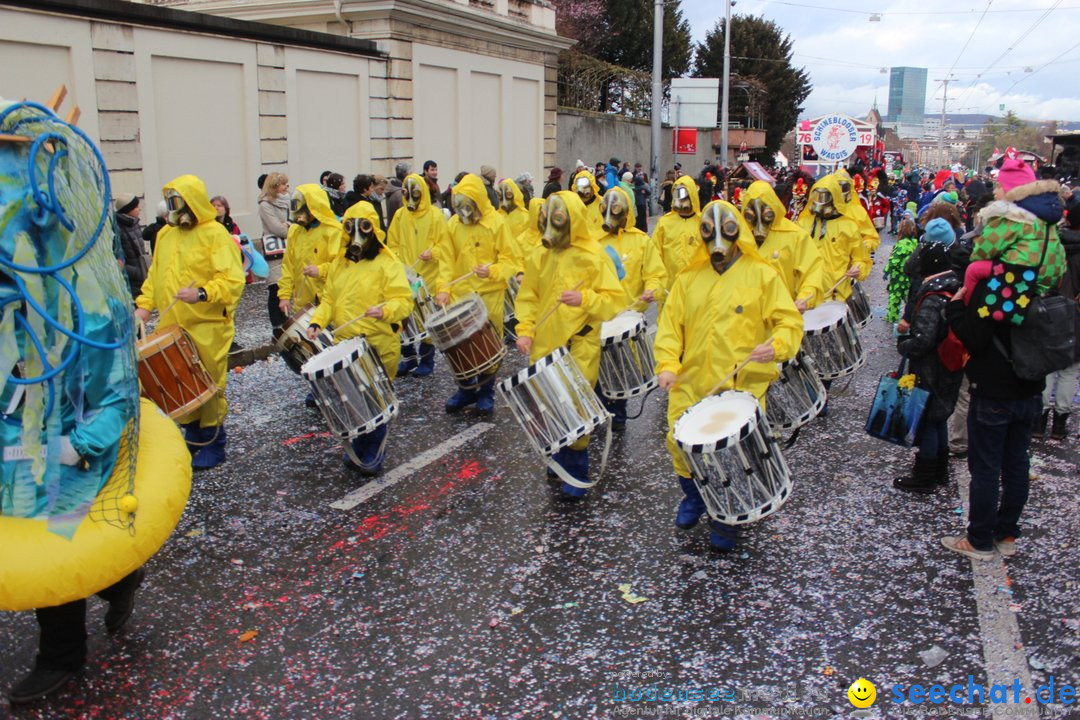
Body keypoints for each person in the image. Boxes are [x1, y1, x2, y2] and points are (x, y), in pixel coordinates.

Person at [655, 201, 803, 551]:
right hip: (691, 381)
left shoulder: (763, 275)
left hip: (741, 386)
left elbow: (788, 321)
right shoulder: (688, 278)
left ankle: (727, 518)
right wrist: (666, 364)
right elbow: (669, 327)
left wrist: (777, 346)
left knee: (733, 455)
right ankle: (694, 497)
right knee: (679, 444)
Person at [940, 166, 1065, 561]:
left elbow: (975, 337)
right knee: (1016, 461)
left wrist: (957, 306)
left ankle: (978, 540)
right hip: (1031, 384)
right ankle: (1008, 533)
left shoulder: (999, 291)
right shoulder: (1041, 285)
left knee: (986, 465)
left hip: (995, 386)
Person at [513, 191, 626, 498]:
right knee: (548, 404)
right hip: (544, 345)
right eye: (546, 219)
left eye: (558, 219)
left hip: (579, 344)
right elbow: (528, 297)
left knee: (575, 406)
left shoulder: (593, 256)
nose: (550, 225)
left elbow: (614, 301)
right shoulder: (539, 254)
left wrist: (584, 299)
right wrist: (525, 329)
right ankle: (558, 456)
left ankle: (576, 468)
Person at [134, 175, 245, 469]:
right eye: (170, 204)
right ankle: (193, 437)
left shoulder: (215, 235)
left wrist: (202, 292)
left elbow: (233, 280)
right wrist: (144, 308)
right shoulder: (165, 236)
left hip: (207, 324)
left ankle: (214, 442)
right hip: (172, 322)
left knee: (208, 382)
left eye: (177, 203)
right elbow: (154, 277)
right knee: (179, 379)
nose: (173, 210)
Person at [306, 201, 412, 474]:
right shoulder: (340, 265)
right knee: (352, 396)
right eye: (351, 228)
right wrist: (318, 320)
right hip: (347, 342)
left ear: (373, 230)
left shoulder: (387, 264)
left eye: (362, 229)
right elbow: (329, 298)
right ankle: (361, 441)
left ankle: (374, 449)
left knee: (374, 398)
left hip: (377, 342)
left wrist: (384, 310)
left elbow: (403, 301)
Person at [435, 174, 519, 413]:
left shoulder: (497, 223)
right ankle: (465, 390)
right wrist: (443, 288)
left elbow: (510, 259)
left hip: (489, 293)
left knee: (487, 343)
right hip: (460, 294)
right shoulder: (452, 226)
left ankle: (485, 392)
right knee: (460, 344)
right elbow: (446, 261)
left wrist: (492, 270)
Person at [892, 242, 964, 494]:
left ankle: (924, 477)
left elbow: (924, 339)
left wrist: (904, 345)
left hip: (933, 368)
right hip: (950, 364)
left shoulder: (933, 295)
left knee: (929, 421)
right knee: (940, 418)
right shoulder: (953, 286)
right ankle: (940, 471)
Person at [594, 186, 666, 428]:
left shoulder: (641, 242)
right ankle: (596, 413)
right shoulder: (593, 241)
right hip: (598, 317)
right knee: (594, 370)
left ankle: (618, 415)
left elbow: (655, 273)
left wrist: (651, 290)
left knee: (620, 370)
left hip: (626, 317)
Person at [387, 172, 449, 376]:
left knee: (426, 318)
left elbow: (445, 245)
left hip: (428, 276)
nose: (411, 199)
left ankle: (426, 359)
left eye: (415, 194)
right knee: (404, 317)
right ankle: (408, 357)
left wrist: (433, 253)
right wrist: (398, 263)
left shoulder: (435, 215)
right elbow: (392, 243)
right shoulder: (399, 215)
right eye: (407, 194)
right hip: (405, 277)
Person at [741, 181, 824, 312]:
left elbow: (812, 269)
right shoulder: (738, 236)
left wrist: (804, 297)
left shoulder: (795, 235)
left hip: (784, 314)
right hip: (747, 318)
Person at [1037, 189, 1080, 439]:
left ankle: (1039, 418)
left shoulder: (1053, 245)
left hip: (1050, 310)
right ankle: (1060, 423)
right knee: (1070, 370)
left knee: (1048, 366)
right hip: (1076, 316)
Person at [276, 184, 345, 325]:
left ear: (314, 209)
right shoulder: (295, 231)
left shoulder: (333, 231)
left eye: (302, 212)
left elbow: (343, 267)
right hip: (303, 304)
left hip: (329, 302)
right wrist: (284, 295)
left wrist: (320, 270)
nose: (299, 217)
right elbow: (288, 266)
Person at [653, 175, 702, 304]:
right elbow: (654, 254)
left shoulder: (703, 222)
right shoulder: (665, 223)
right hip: (669, 286)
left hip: (696, 286)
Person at [114, 193, 148, 300]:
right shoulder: (117, 228)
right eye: (136, 207)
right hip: (131, 278)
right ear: (128, 209)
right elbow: (117, 258)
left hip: (142, 273)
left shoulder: (134, 223)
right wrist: (136, 272)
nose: (139, 209)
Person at [885, 218, 919, 325]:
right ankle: (911, 316)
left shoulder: (901, 244)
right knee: (908, 297)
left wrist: (886, 271)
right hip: (909, 275)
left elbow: (893, 261)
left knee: (895, 297)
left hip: (897, 276)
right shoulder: (915, 244)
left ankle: (892, 317)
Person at [258, 172, 291, 247]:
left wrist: (287, 224)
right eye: (283, 184)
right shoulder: (265, 204)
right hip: (275, 247)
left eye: (286, 184)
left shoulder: (289, 199)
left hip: (291, 244)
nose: (286, 187)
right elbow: (279, 230)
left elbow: (298, 221)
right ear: (273, 186)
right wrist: (292, 225)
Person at [570, 169, 605, 237]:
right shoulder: (572, 206)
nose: (582, 192)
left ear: (592, 187)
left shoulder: (603, 204)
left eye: (586, 187)